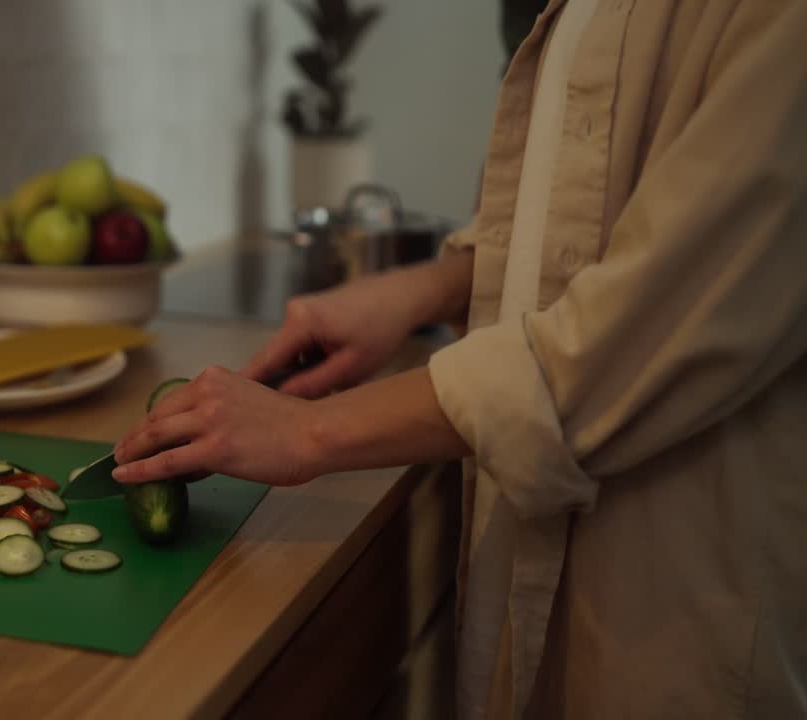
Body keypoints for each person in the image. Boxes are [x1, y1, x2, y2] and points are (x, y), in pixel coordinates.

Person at [112, 1, 807, 717]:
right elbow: (587, 210)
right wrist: (425, 289)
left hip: (674, 592)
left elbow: (644, 329)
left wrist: (305, 430)